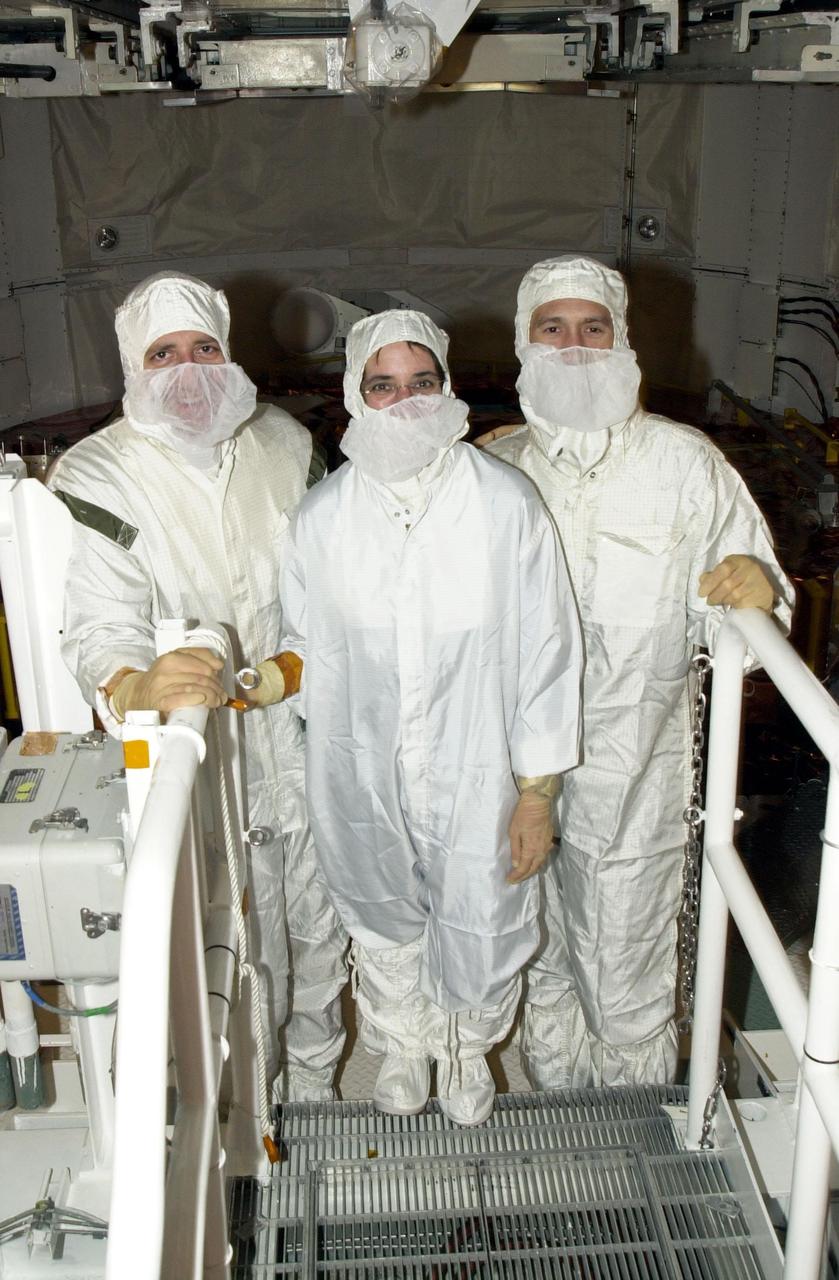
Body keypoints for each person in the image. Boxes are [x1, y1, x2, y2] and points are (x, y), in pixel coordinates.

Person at [483, 254, 794, 1090]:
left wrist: (757, 584)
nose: (574, 346)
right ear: (525, 343)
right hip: (513, 770)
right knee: (539, 957)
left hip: (638, 769)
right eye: (553, 328)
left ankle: (632, 1124)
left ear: (623, 342)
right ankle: (558, 1120)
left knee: (625, 970)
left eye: (594, 328)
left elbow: (761, 585)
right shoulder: (495, 471)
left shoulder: (681, 464)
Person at [267, 309, 582, 1125]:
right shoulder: (322, 519)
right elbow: (303, 645)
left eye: (421, 382)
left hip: (477, 767)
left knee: (483, 911)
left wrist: (536, 791)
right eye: (383, 385)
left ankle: (467, 1050)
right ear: (354, 397)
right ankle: (404, 1043)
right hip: (359, 765)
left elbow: (549, 651)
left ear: (447, 388)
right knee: (378, 909)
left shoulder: (505, 505)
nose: (403, 401)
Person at [47, 271, 348, 1102]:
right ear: (132, 368)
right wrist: (135, 683)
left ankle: (317, 1089)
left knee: (317, 921)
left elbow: (331, 587)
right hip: (194, 753)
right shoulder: (98, 473)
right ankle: (251, 1109)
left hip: (293, 729)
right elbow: (98, 619)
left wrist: (300, 670)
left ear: (229, 354)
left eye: (203, 348)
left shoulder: (284, 444)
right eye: (163, 353)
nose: (187, 369)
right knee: (229, 943)